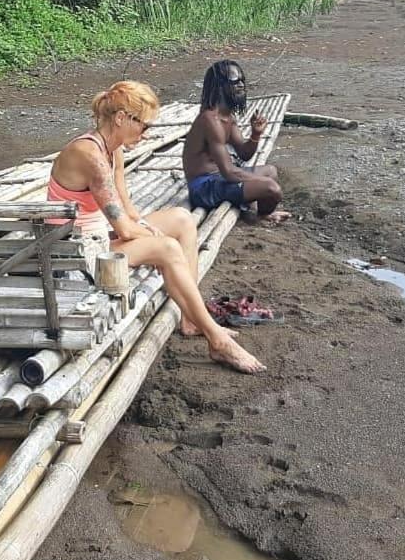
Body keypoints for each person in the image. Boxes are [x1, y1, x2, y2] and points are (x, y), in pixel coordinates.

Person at [47, 80, 265, 374]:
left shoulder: (115, 150)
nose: (146, 133)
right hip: (74, 253)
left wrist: (145, 226)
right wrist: (150, 235)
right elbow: (124, 229)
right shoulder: (90, 155)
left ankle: (190, 319)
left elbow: (128, 211)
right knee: (167, 248)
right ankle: (217, 341)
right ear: (121, 118)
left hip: (100, 235)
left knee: (182, 219)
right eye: (144, 125)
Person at [182, 60, 290, 222]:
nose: (241, 85)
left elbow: (244, 154)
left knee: (271, 171)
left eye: (242, 81)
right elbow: (229, 172)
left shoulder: (227, 117)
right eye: (235, 81)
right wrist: (261, 182)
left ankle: (262, 212)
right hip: (203, 188)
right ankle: (261, 216)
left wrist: (255, 135)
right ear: (220, 86)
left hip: (219, 178)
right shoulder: (210, 120)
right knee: (271, 188)